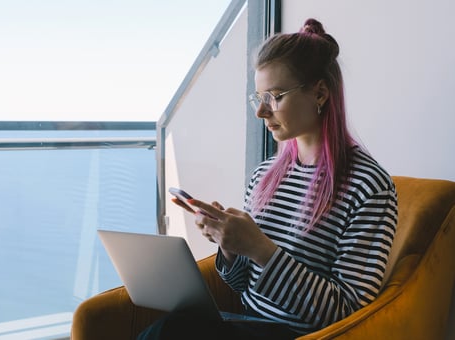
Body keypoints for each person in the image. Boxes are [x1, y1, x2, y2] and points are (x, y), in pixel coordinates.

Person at [138, 18, 397, 340]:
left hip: (306, 335)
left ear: (319, 93)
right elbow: (245, 287)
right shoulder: (265, 176)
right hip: (250, 324)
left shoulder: (368, 187)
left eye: (274, 96)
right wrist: (230, 246)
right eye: (257, 98)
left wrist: (260, 247)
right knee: (166, 328)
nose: (261, 112)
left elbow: (347, 313)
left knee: (166, 333)